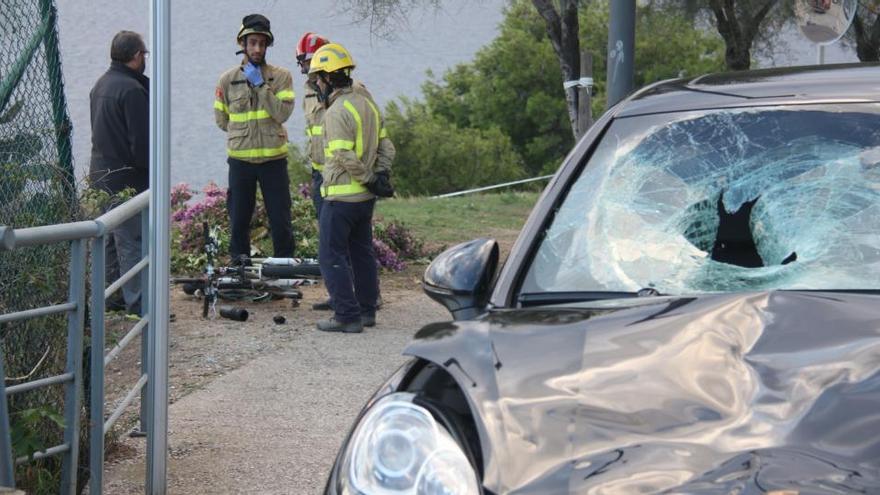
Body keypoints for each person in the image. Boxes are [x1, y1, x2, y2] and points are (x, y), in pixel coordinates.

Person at [309, 42, 395, 333]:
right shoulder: (367, 104)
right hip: (364, 200)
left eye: (317, 78)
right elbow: (387, 146)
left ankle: (346, 315)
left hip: (341, 198)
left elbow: (344, 157)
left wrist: (369, 177)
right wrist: (380, 175)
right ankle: (367, 310)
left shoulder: (335, 112)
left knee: (331, 255)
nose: (315, 84)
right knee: (361, 252)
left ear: (328, 78)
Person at [214, 14, 295, 263]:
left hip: (273, 161)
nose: (257, 48)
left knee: (280, 218)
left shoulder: (281, 77)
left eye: (262, 43)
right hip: (240, 162)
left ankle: (284, 268)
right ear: (242, 44)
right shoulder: (227, 80)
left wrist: (260, 86)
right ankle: (240, 267)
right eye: (252, 43)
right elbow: (222, 120)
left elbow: (282, 112)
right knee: (239, 219)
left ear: (267, 45)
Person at [89, 30, 149, 314]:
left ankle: (110, 297)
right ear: (136, 56)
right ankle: (138, 303)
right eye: (144, 54)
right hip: (127, 178)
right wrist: (151, 171)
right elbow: (140, 143)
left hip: (100, 173)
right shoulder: (133, 90)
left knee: (108, 240)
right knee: (131, 240)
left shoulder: (100, 85)